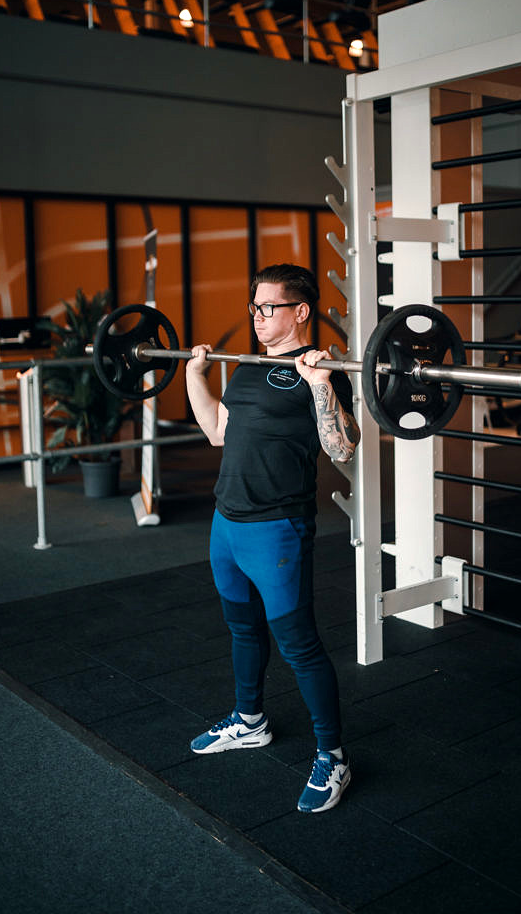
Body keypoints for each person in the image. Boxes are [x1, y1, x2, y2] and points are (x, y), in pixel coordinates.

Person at [185, 263, 360, 814]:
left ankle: (333, 756)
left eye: (268, 308)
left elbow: (343, 449)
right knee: (241, 627)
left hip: (277, 528)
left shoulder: (326, 369)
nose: (258, 318)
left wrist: (321, 385)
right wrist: (195, 376)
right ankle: (250, 720)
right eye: (254, 308)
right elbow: (218, 432)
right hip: (226, 523)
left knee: (299, 645)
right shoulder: (248, 367)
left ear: (300, 311)